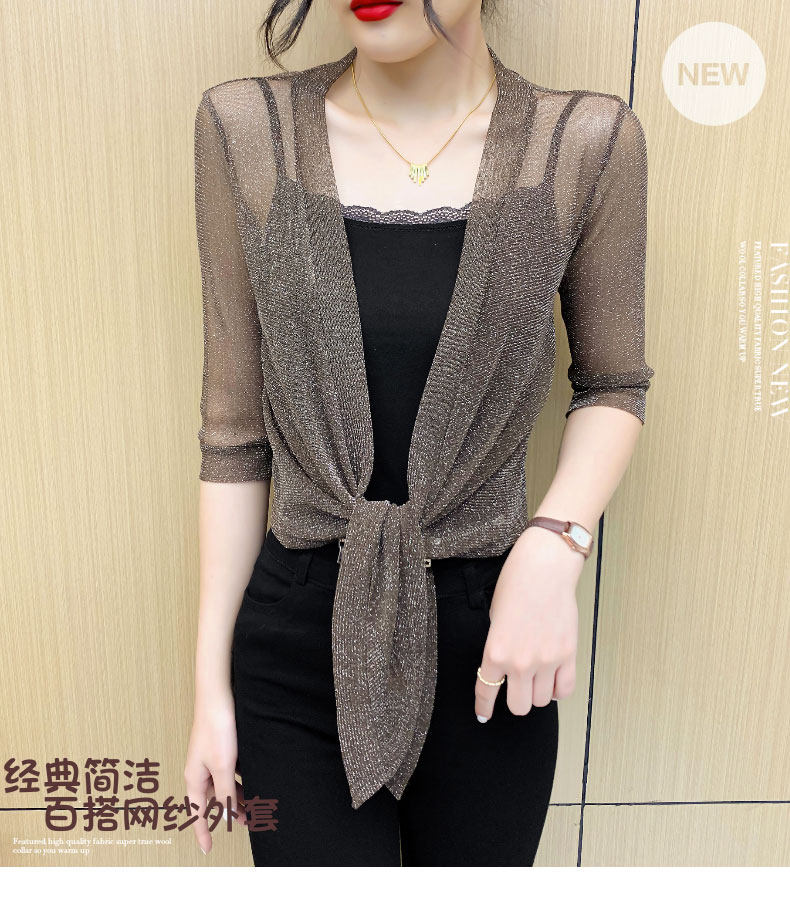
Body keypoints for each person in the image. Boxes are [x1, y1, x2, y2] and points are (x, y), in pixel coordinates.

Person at [183, 0, 654, 866]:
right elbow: (234, 435)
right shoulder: (246, 129)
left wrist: (557, 543)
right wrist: (210, 690)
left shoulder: (584, 143)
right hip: (294, 651)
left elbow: (613, 382)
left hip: (495, 642)